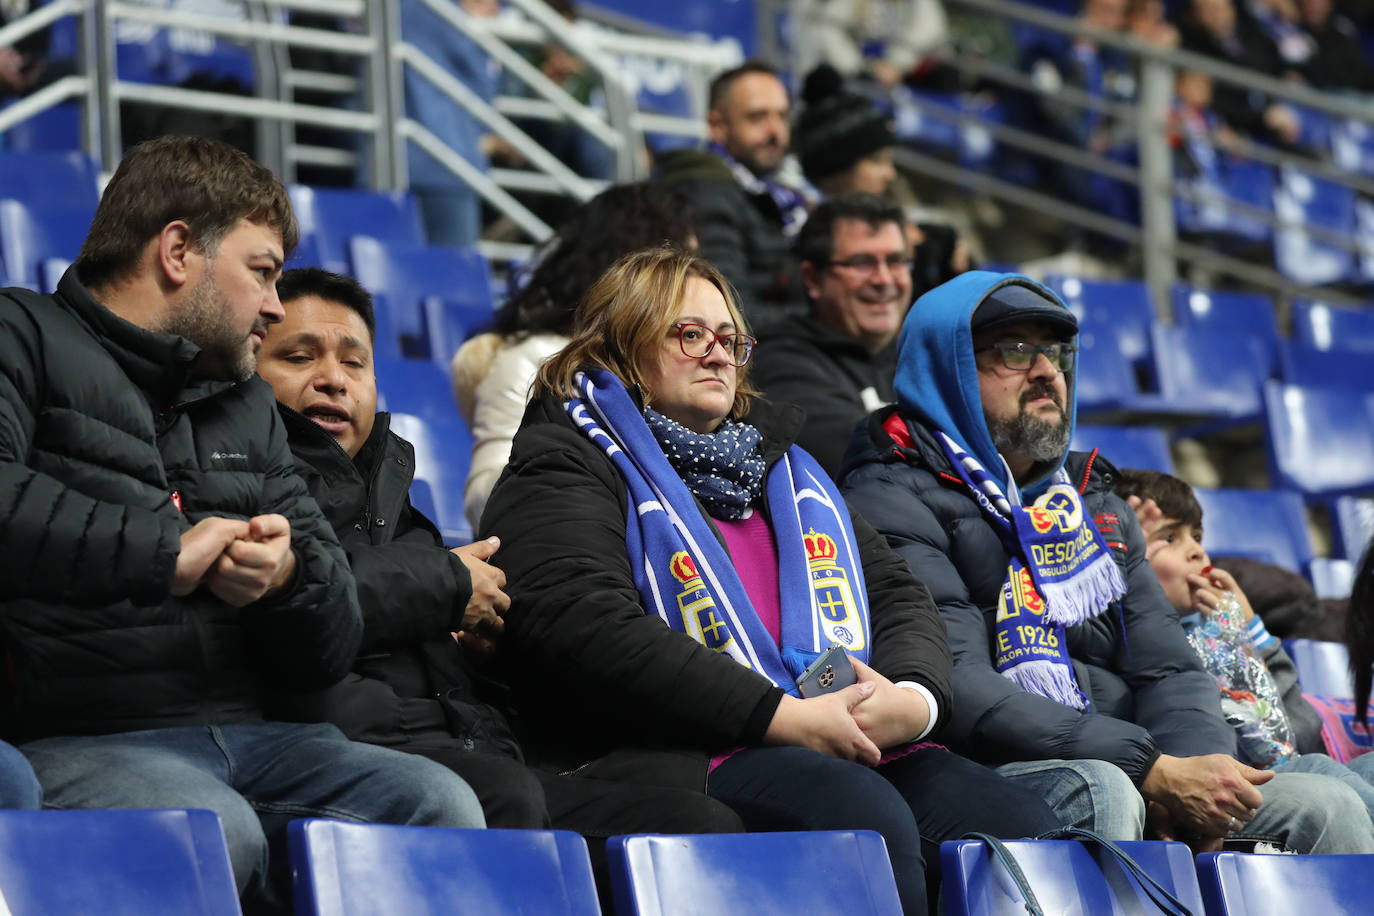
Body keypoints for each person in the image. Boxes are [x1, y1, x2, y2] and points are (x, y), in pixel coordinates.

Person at [482, 246, 1061, 915]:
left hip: (840, 731)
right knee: (858, 820)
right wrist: (780, 718)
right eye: (689, 334)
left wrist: (912, 698)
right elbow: (582, 623)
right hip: (674, 751)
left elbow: (899, 595)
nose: (719, 354)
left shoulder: (788, 470)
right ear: (621, 347)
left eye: (730, 339)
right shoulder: (564, 458)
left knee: (1019, 824)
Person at [0, 136, 483, 914]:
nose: (272, 304)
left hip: (263, 736)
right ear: (178, 250)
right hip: (79, 735)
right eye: (262, 272)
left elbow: (327, 636)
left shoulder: (246, 399)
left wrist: (288, 580)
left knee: (439, 805)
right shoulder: (19, 334)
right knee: (215, 829)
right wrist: (167, 553)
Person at [840, 270, 1374, 854]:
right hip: (1007, 770)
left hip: (1146, 763)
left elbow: (1168, 670)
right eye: (1015, 350)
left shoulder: (1093, 502)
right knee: (1112, 791)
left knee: (1335, 794)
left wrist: (1193, 773)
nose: (1048, 372)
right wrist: (1151, 770)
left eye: (1056, 352)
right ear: (950, 370)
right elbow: (959, 681)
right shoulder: (889, 495)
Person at [258, 268, 744, 851]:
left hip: (471, 750)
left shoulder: (391, 500)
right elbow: (300, 596)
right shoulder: (244, 476)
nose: (333, 380)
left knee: (700, 811)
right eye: (298, 356)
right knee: (505, 796)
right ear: (246, 367)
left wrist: (487, 651)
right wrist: (445, 589)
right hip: (347, 757)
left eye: (355, 362)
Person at [1114, 468, 1374, 819]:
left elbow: (1299, 735)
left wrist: (1252, 634)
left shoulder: (1217, 632)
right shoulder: (1123, 639)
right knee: (1320, 773)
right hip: (1220, 792)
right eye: (1170, 538)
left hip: (1282, 774)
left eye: (1197, 536)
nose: (1196, 552)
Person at [451, 182, 695, 529]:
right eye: (680, 266)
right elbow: (483, 500)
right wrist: (587, 487)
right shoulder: (536, 358)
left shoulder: (683, 366)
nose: (696, 281)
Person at [750, 192, 912, 478]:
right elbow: (865, 466)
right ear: (813, 279)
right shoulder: (782, 363)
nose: (884, 280)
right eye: (862, 263)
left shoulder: (916, 361)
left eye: (897, 261)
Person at [656, 61, 810, 321]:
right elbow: (732, 313)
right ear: (717, 126)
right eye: (757, 117)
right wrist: (826, 320)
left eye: (782, 116)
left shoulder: (776, 193)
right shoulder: (705, 194)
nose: (776, 131)